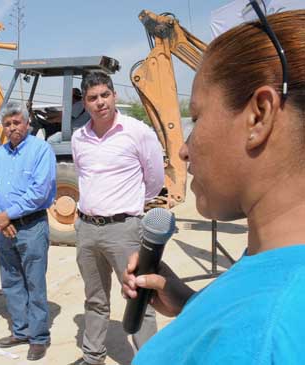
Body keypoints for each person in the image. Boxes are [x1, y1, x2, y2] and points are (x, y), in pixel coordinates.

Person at [123, 10, 305, 365]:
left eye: (197, 116)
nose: (184, 148)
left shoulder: (267, 332)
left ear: (259, 116)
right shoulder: (274, 265)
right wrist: (193, 305)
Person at [69, 71, 164, 365]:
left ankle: (149, 359)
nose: (100, 103)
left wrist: (128, 206)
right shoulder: (78, 137)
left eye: (105, 95)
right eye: (93, 98)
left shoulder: (138, 132)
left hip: (124, 230)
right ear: (84, 103)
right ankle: (93, 355)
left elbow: (154, 180)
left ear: (115, 95)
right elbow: (83, 177)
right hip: (87, 228)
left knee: (138, 299)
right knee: (94, 298)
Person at [0, 101, 56, 361]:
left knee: (34, 282)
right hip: (4, 228)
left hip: (31, 226)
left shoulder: (41, 150)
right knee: (11, 281)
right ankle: (20, 331)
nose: (12, 128)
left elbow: (39, 192)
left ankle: (38, 337)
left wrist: (6, 215)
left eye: (17, 122)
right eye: (8, 124)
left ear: (27, 123)